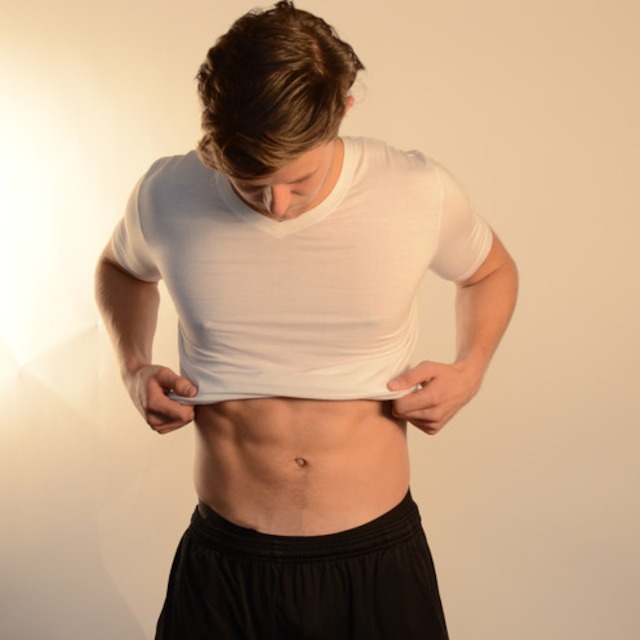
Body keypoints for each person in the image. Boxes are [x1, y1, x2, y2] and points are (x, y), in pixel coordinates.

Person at [95, 2, 518, 638]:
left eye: (299, 180)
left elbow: (489, 271)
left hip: (375, 564)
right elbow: (121, 268)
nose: (276, 205)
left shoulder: (414, 190)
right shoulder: (168, 193)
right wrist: (132, 365)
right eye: (250, 183)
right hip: (224, 568)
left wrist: (471, 368)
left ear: (342, 110)